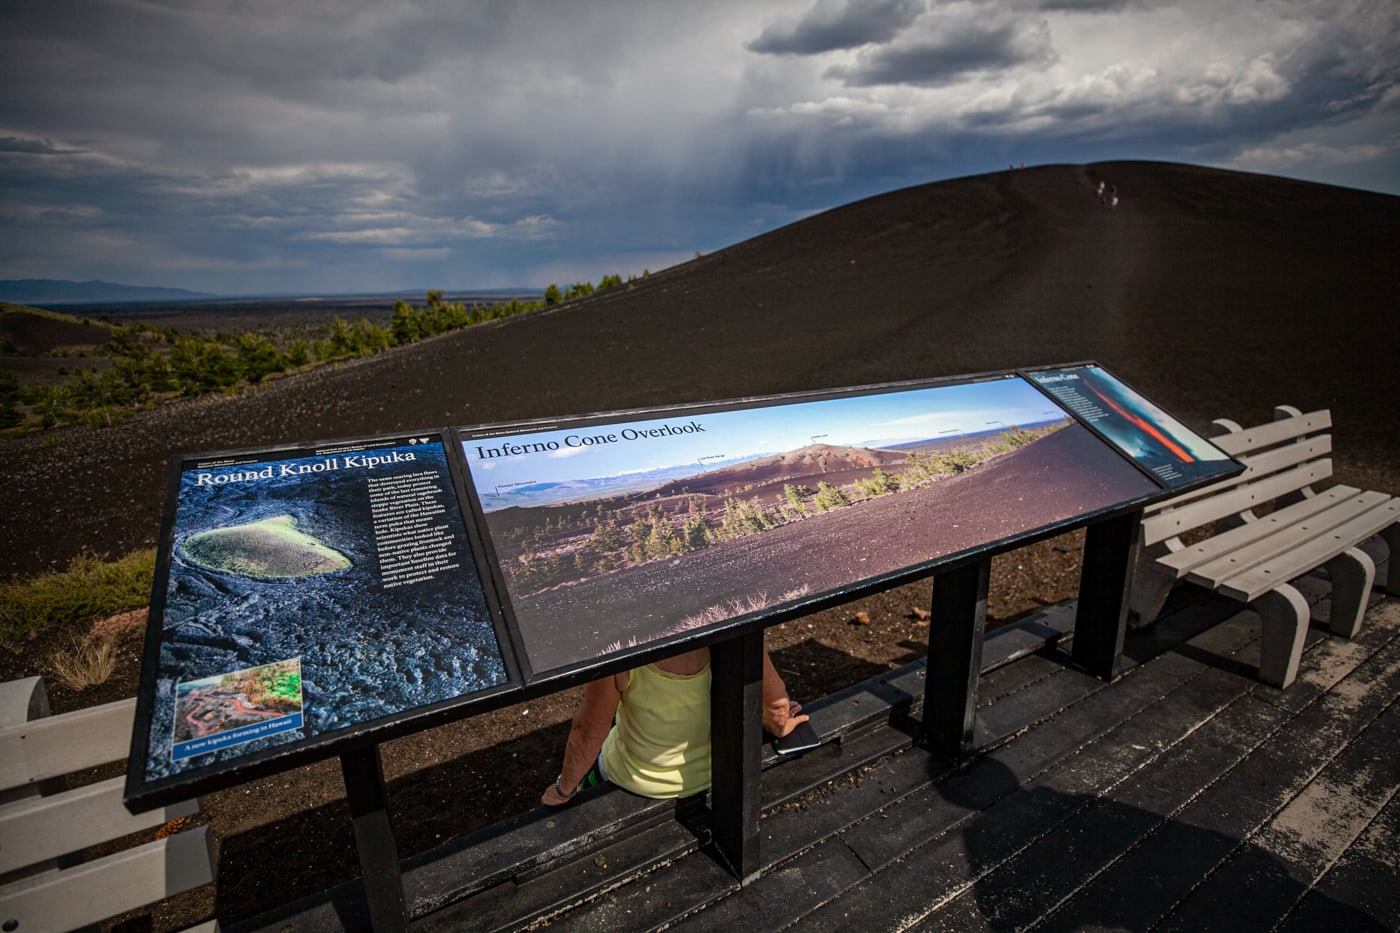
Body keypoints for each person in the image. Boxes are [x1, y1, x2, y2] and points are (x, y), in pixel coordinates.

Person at [541, 643, 807, 805]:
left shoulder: (620, 652)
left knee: (597, 765)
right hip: (713, 772)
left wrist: (564, 789)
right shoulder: (736, 628)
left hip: (637, 778)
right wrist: (779, 726)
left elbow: (588, 732)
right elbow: (776, 704)